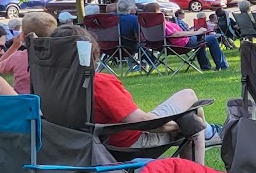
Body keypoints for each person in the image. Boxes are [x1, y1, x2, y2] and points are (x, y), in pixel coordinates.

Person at [52, 24, 211, 160]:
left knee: (188, 97)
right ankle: (203, 158)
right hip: (127, 145)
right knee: (193, 116)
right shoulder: (98, 83)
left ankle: (207, 130)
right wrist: (180, 124)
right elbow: (144, 122)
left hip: (81, 146)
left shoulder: (50, 85)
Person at [0, 10, 55, 93]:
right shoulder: (60, 56)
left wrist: (14, 47)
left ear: (23, 36)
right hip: (50, 101)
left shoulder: (18, 57)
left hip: (24, 102)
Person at [157, 4, 228, 71]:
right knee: (211, 39)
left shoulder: (149, 26)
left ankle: (205, 66)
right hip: (182, 44)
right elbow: (176, 34)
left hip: (165, 46)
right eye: (161, 11)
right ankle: (222, 65)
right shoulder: (164, 24)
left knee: (201, 39)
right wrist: (197, 32)